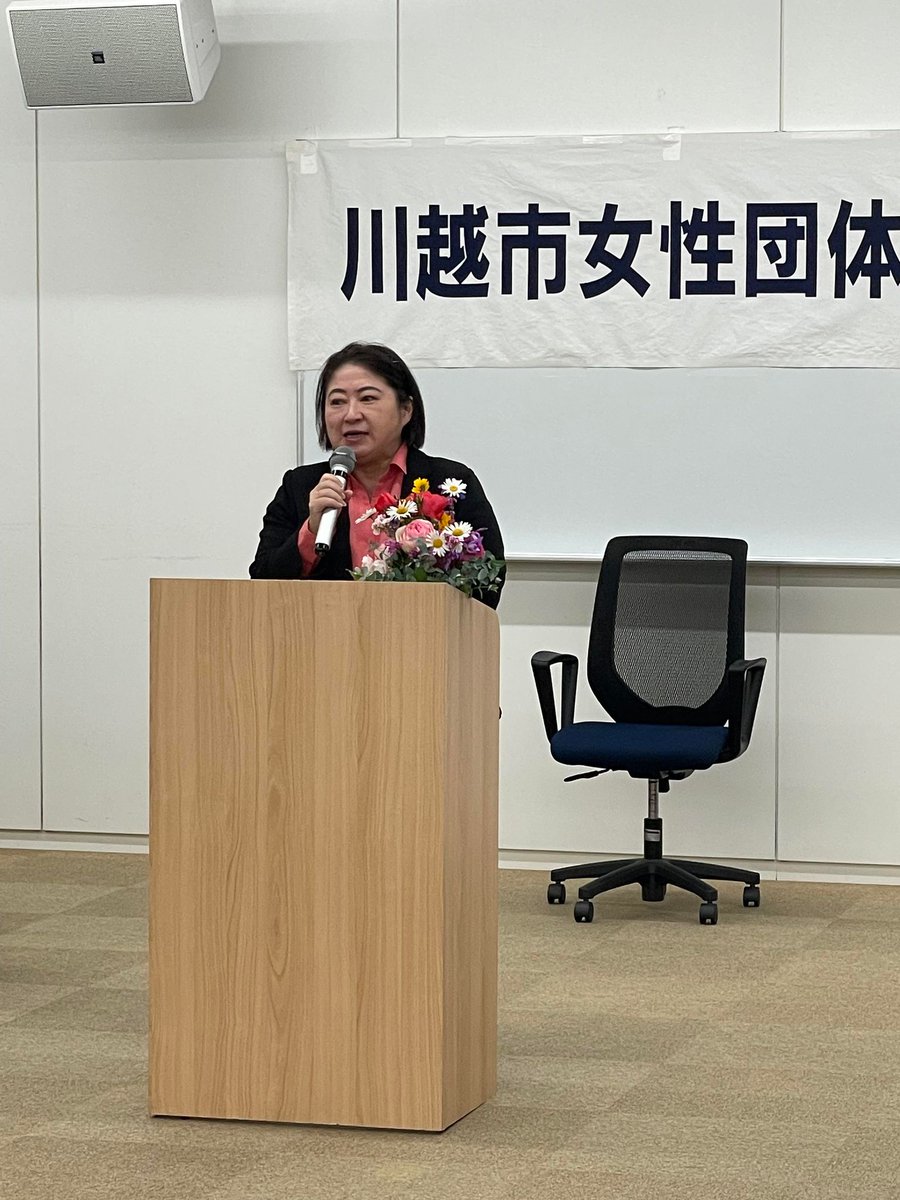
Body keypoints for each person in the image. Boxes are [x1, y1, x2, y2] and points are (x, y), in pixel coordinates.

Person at [250, 342, 505, 609]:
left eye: (368, 398)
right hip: (322, 632)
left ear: (406, 410)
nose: (351, 414)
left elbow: (488, 584)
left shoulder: (450, 482)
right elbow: (262, 583)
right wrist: (312, 530)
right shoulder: (299, 486)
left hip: (421, 632)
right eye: (337, 402)